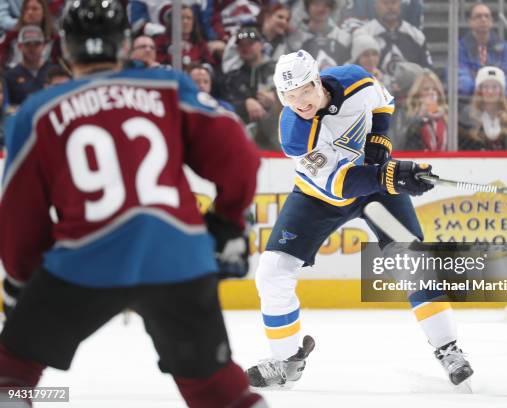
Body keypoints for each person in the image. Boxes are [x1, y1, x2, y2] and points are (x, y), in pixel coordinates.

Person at [0, 1, 266, 407]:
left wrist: (23, 279)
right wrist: (227, 222)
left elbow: (18, 217)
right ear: (124, 44)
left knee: (10, 374)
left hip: (85, 261)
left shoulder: (38, 111)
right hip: (178, 258)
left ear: (66, 50)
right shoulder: (166, 87)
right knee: (216, 390)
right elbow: (240, 157)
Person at [245, 49, 473, 388]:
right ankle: (287, 360)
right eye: (288, 96)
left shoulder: (354, 79)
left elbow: (384, 102)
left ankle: (448, 349)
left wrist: (380, 139)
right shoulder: (295, 133)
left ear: (317, 81)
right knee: (273, 270)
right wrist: (390, 175)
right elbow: (340, 186)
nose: (299, 103)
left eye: (305, 91)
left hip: (375, 183)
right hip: (319, 197)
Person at [458, 2, 507, 103]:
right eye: (478, 16)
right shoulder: (460, 48)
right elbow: (459, 77)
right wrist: (484, 93)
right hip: (470, 102)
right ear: (470, 22)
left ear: (491, 21)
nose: (483, 19)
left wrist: (496, 94)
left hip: (500, 101)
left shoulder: (504, 48)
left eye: (487, 16)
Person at [353, 0, 433, 76]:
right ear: (376, 5)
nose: (390, 7)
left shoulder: (416, 35)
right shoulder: (363, 34)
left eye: (394, 2)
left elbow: (427, 70)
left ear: (400, 4)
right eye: (385, 2)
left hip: (410, 88)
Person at [458, 66, 507, 151]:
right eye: (486, 87)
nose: (490, 91)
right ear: (479, 90)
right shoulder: (467, 115)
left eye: (495, 87)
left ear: (501, 91)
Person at [398, 69, 448, 151]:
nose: (431, 92)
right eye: (426, 89)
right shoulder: (406, 112)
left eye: (434, 89)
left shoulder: (447, 115)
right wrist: (421, 117)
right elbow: (403, 141)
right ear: (418, 93)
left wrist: (437, 112)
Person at [4, 25, 55, 106]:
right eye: (28, 44)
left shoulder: (54, 72)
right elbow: (6, 107)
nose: (32, 48)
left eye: (37, 44)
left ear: (44, 46)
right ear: (20, 46)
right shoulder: (10, 76)